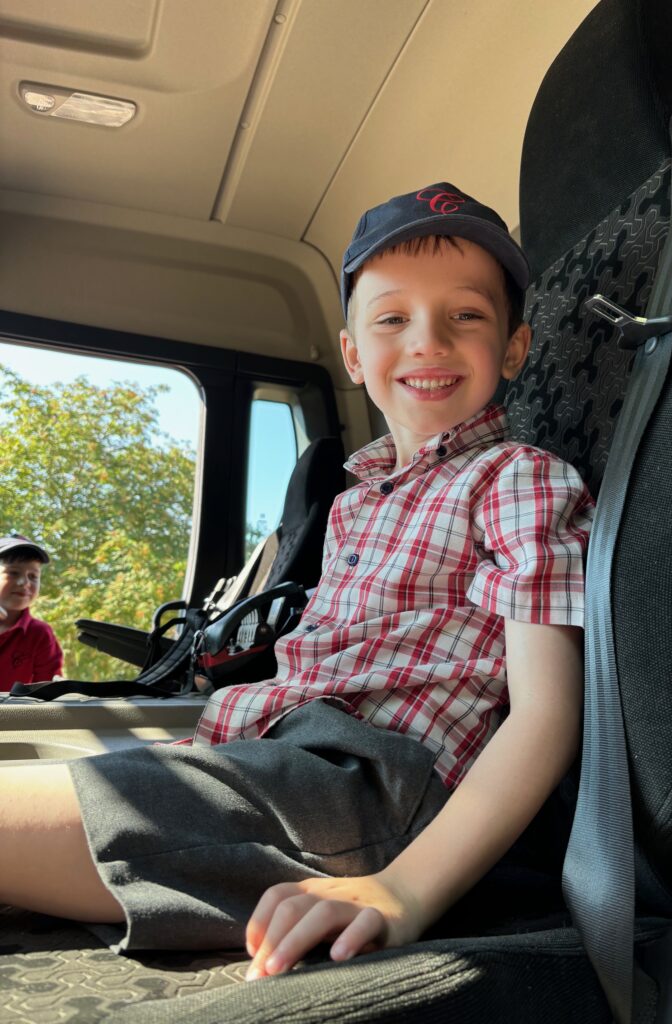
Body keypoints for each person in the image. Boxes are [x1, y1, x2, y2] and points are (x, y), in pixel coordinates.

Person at [0, 183, 593, 984]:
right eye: (392, 319)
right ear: (353, 353)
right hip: (273, 754)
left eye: (466, 316)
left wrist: (401, 892)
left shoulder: (518, 479)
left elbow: (546, 716)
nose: (428, 342)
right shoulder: (354, 503)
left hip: (369, 788)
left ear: (514, 348)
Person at [0, 534, 63, 689]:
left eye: (33, 576)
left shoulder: (40, 634)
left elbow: (47, 695)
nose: (24, 582)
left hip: (14, 713)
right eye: (13, 573)